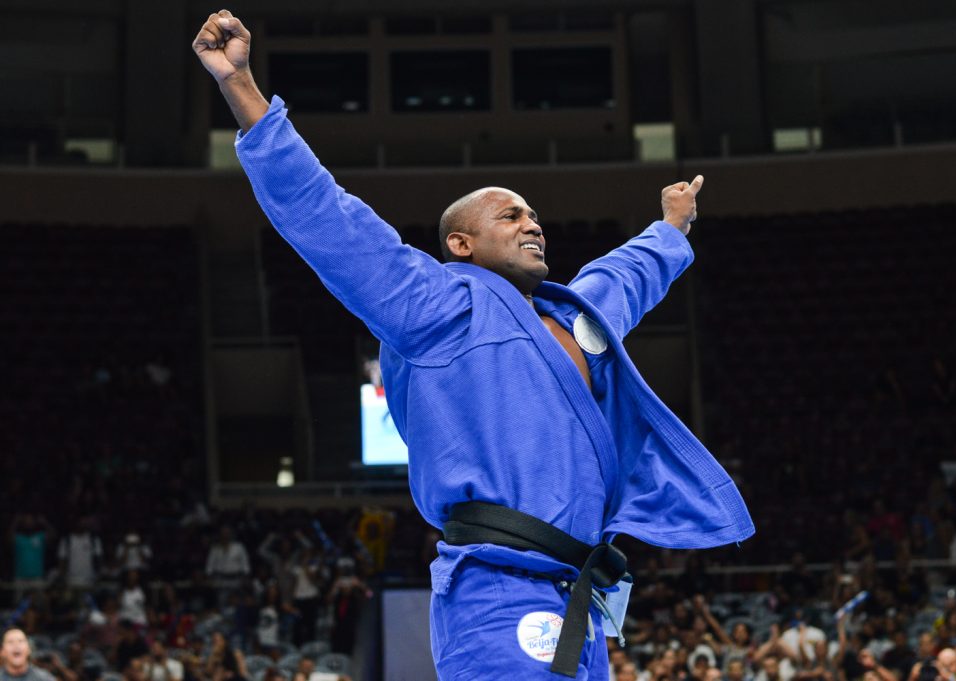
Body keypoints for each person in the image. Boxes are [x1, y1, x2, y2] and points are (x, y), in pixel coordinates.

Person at [193, 10, 753, 680]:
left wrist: (670, 229)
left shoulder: (573, 317)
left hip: (581, 595)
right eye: (510, 215)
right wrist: (241, 87)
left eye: (534, 215)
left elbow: (623, 277)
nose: (532, 223)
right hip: (496, 587)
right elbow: (327, 217)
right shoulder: (435, 305)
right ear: (460, 244)